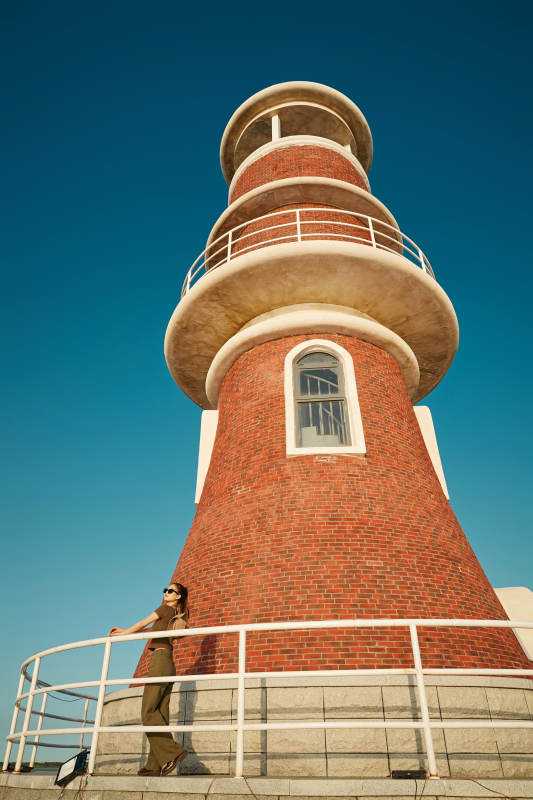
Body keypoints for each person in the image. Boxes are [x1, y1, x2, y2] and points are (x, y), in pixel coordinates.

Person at [109, 582, 189, 776]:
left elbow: (141, 624)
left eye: (170, 591)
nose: (166, 593)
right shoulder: (170, 616)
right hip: (168, 662)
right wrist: (123, 631)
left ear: (177, 596)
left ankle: (173, 753)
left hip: (160, 661)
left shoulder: (164, 609)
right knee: (160, 714)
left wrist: (124, 634)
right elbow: (148, 630)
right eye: (165, 590)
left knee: (148, 711)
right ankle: (154, 765)